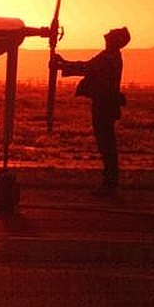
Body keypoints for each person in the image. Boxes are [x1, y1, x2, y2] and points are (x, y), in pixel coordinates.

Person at [52, 27, 130, 195]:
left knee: (106, 145)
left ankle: (110, 185)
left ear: (115, 40)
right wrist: (63, 64)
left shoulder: (108, 57)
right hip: (105, 104)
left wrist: (62, 65)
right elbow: (87, 67)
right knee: (107, 145)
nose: (107, 33)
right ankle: (110, 183)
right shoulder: (110, 56)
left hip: (104, 105)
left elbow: (86, 68)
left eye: (112, 32)